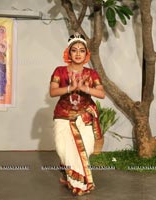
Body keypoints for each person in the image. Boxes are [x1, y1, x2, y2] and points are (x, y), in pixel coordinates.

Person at [49, 32, 105, 196]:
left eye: (82, 50)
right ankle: (68, 174)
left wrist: (83, 88)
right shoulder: (60, 71)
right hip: (63, 115)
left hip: (84, 116)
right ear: (69, 53)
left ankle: (79, 183)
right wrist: (70, 88)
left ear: (86, 54)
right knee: (62, 148)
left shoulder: (92, 74)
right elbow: (53, 92)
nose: (78, 53)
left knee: (84, 149)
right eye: (74, 50)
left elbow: (101, 94)